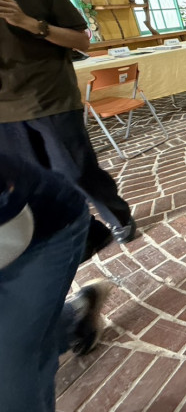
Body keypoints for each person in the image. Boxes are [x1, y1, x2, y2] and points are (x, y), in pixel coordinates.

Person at [0, 0, 136, 258]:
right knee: (31, 185)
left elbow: (81, 42)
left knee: (76, 171)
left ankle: (118, 216)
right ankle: (85, 231)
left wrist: (29, 23)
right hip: (4, 113)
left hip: (49, 99)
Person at [0, 153, 111, 412]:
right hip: (18, 233)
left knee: (8, 376)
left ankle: (71, 319)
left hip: (40, 227)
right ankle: (75, 319)